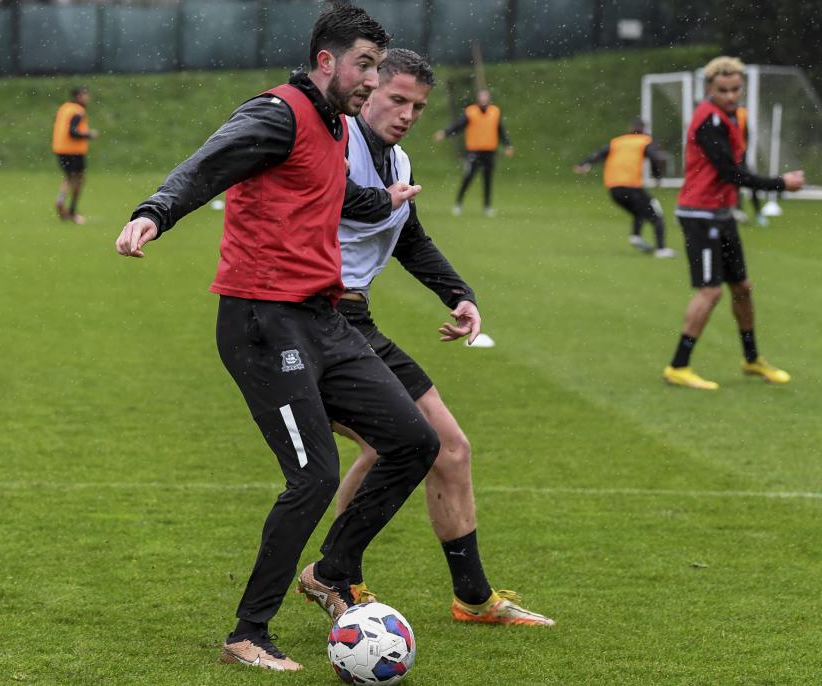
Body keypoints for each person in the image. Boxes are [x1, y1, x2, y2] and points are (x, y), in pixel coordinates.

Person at [115, 3, 439, 672]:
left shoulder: (334, 124)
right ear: (326, 61)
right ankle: (248, 633)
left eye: (378, 67)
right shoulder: (277, 113)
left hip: (321, 318)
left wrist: (385, 201)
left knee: (415, 441)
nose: (373, 81)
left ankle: (332, 571)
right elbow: (206, 166)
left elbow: (333, 195)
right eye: (365, 66)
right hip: (262, 321)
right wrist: (154, 212)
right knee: (315, 476)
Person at [336, 48, 554, 627]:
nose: (408, 114)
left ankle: (473, 599)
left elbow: (409, 238)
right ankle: (339, 579)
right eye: (397, 100)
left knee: (451, 448)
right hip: (309, 324)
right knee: (392, 443)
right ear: (368, 91)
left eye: (418, 106)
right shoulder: (332, 142)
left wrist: (459, 295)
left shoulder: (399, 161)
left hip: (357, 322)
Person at [663, 56, 804, 390]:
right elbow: (730, 173)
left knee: (741, 287)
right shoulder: (708, 121)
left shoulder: (735, 116)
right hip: (699, 214)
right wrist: (780, 184)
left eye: (735, 89)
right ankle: (678, 366)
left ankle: (751, 359)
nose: (730, 95)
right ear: (709, 89)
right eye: (722, 90)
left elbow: (737, 169)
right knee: (710, 291)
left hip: (722, 213)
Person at [574, 117, 675, 258]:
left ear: (630, 128)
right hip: (631, 187)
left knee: (639, 210)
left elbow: (599, 153)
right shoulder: (645, 141)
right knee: (656, 214)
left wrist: (585, 164)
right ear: (644, 128)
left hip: (614, 189)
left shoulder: (618, 141)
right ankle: (661, 249)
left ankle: (636, 237)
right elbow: (655, 157)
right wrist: (657, 176)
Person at [433, 88, 513, 217]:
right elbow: (459, 125)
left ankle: (487, 207)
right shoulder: (471, 112)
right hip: (475, 151)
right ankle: (458, 204)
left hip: (489, 151)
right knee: (468, 177)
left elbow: (500, 130)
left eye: (485, 97)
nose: (484, 99)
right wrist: (445, 132)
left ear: (489, 98)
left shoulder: (495, 112)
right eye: (482, 97)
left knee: (488, 179)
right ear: (478, 98)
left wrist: (507, 144)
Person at [52, 86, 98, 224]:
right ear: (79, 97)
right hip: (74, 150)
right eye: (85, 95)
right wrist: (89, 134)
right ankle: (72, 211)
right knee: (79, 179)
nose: (87, 98)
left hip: (60, 148)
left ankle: (60, 201)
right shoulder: (78, 111)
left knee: (68, 177)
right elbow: (72, 132)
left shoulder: (64, 107)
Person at [733, 105, 768, 226]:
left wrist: (743, 150)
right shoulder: (718, 114)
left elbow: (747, 134)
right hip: (728, 159)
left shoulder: (741, 113)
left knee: (752, 183)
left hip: (740, 157)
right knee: (734, 186)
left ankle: (758, 213)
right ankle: (739, 212)